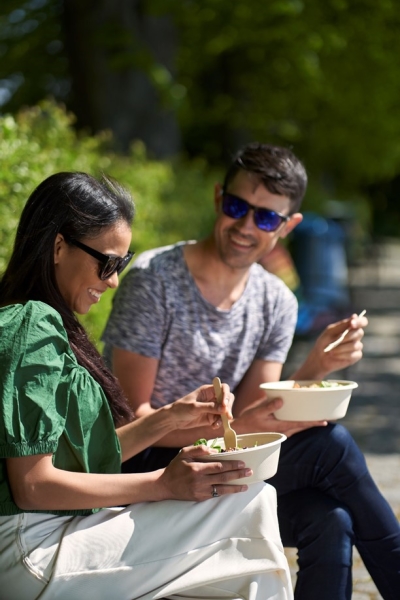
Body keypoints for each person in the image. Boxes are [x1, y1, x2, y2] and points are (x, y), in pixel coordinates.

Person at [102, 143, 400, 600]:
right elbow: (130, 424)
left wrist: (318, 364)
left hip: (228, 462)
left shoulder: (275, 300)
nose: (245, 227)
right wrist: (240, 428)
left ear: (287, 226)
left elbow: (251, 414)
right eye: (238, 207)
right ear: (220, 197)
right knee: (331, 446)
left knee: (332, 519)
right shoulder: (153, 280)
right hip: (154, 467)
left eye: (265, 218)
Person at [0, 171, 294, 600]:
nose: (114, 279)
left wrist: (169, 418)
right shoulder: (34, 325)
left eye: (123, 262)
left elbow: (85, 460)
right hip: (32, 548)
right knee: (250, 506)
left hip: (55, 528)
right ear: (58, 246)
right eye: (108, 262)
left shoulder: (47, 325)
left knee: (250, 513)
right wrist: (163, 483)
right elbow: (32, 485)